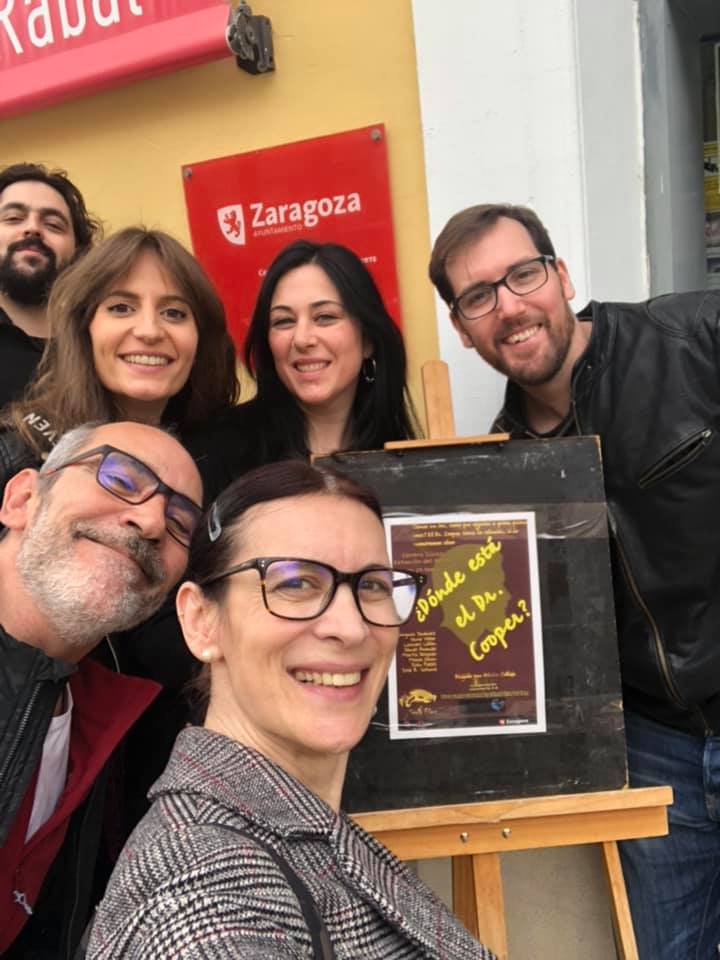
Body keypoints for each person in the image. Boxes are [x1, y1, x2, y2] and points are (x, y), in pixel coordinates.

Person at [429, 202, 720, 959]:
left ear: (560, 275)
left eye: (522, 275)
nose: (509, 306)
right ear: (461, 327)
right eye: (478, 295)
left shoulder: (693, 337)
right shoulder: (499, 474)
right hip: (655, 755)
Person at [86, 461, 495, 959]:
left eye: (373, 585)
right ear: (201, 621)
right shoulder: (202, 896)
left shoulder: (297, 831)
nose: (351, 628)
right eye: (296, 583)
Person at [0, 420, 203, 957]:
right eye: (121, 479)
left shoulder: (109, 725)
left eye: (181, 521)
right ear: (22, 500)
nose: (153, 522)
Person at [2, 224, 238, 486]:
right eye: (121, 308)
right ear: (84, 328)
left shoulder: (228, 456)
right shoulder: (18, 455)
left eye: (174, 313)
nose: (149, 331)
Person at [187, 239, 418, 492]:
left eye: (325, 317)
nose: (301, 339)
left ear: (368, 340)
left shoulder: (405, 460)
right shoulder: (216, 451)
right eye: (284, 321)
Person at [0, 162, 101, 408]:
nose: (32, 229)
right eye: (13, 218)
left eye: (54, 225)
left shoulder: (102, 341)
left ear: (78, 250)